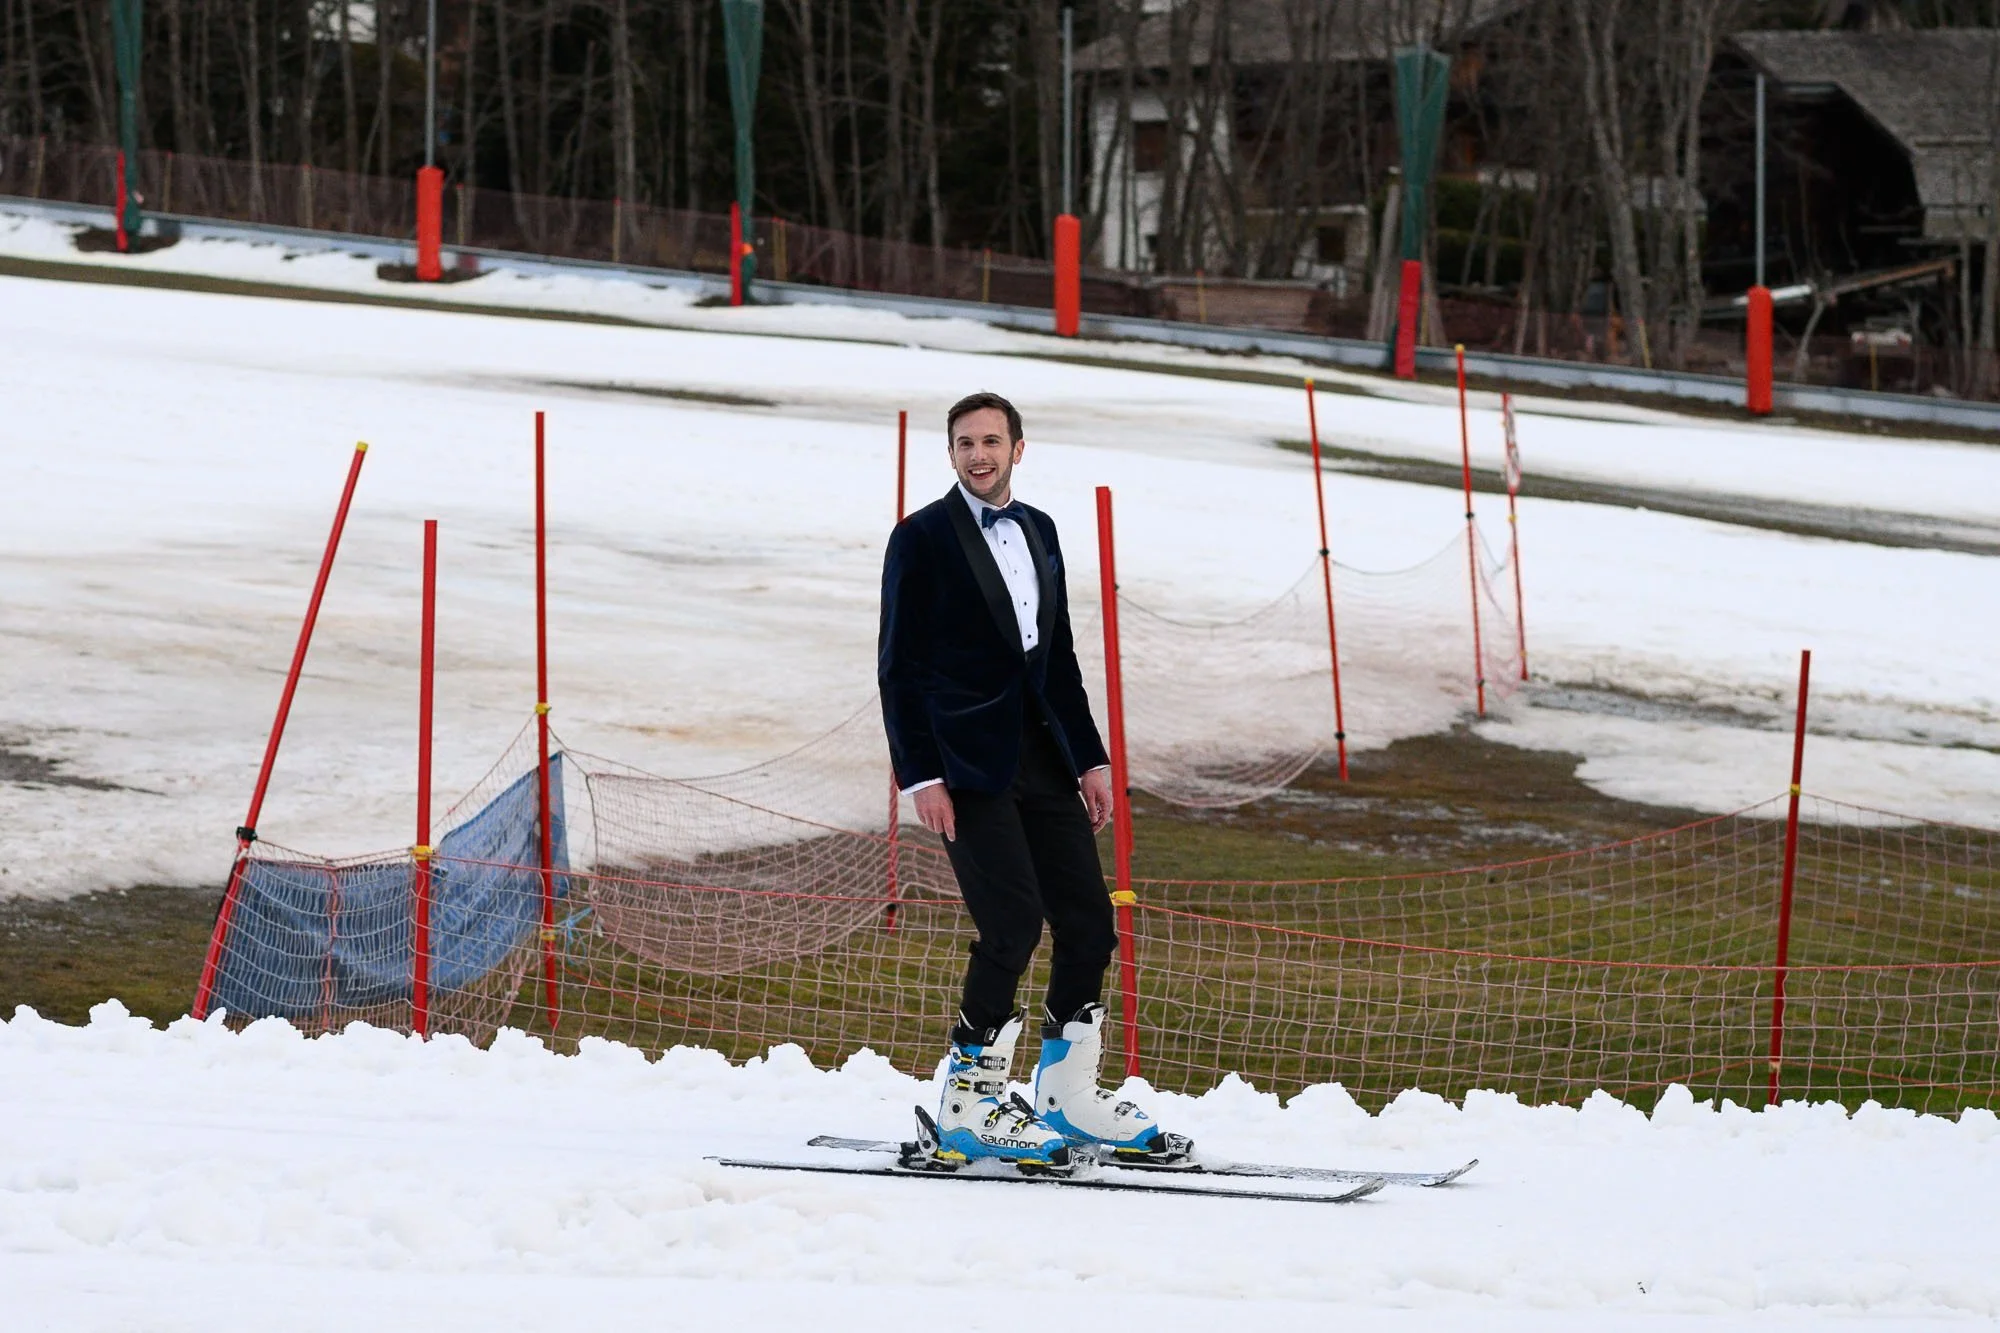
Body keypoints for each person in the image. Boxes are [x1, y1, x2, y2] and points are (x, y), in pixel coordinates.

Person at [878, 390, 1184, 1173]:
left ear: (1019, 446)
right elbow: (898, 669)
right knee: (1011, 925)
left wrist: (1092, 757)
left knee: (1088, 921)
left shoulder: (1040, 529)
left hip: (1043, 758)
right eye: (963, 443)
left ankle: (1066, 1092)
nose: (977, 454)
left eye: (990, 440)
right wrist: (923, 776)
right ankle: (967, 1106)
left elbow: (1060, 660)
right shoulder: (919, 539)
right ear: (950, 453)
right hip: (966, 766)